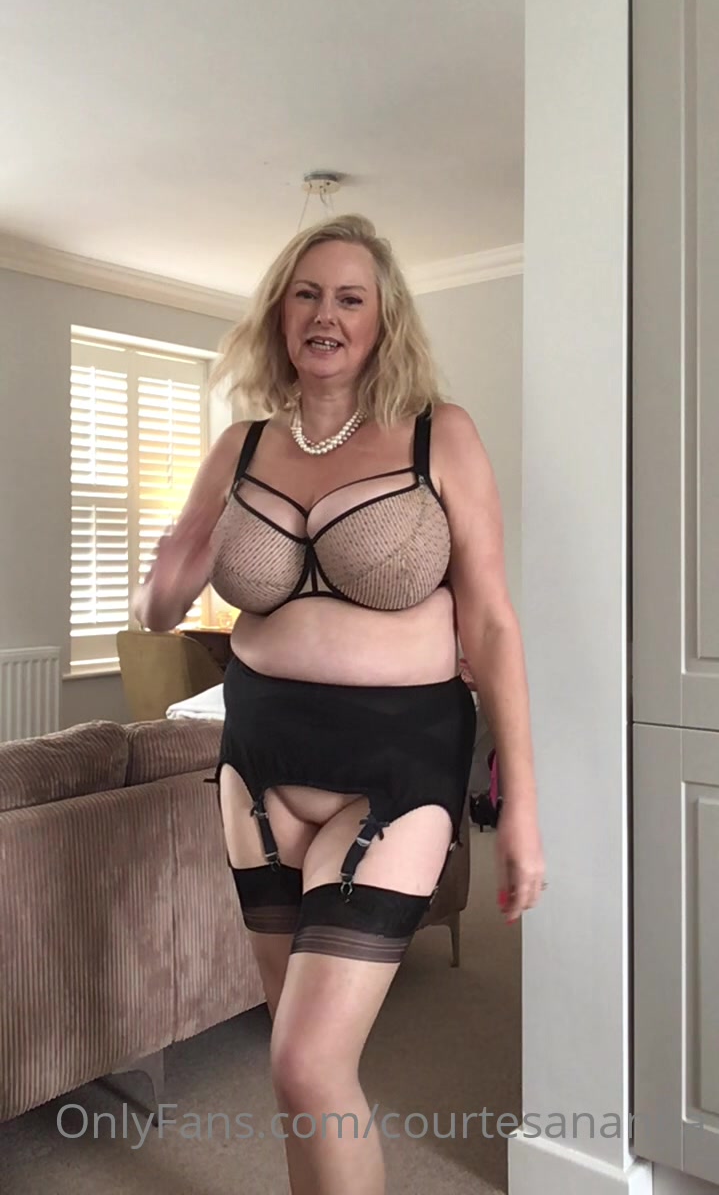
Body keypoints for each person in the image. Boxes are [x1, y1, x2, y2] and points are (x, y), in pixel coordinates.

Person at [133, 213, 545, 1194]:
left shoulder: (440, 433)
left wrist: (522, 803)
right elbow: (159, 609)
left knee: (307, 1061)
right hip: (260, 761)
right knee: (298, 1060)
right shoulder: (241, 444)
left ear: (382, 319)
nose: (327, 314)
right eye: (308, 294)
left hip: (398, 766)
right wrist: (170, 570)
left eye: (351, 298)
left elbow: (491, 623)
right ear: (280, 314)